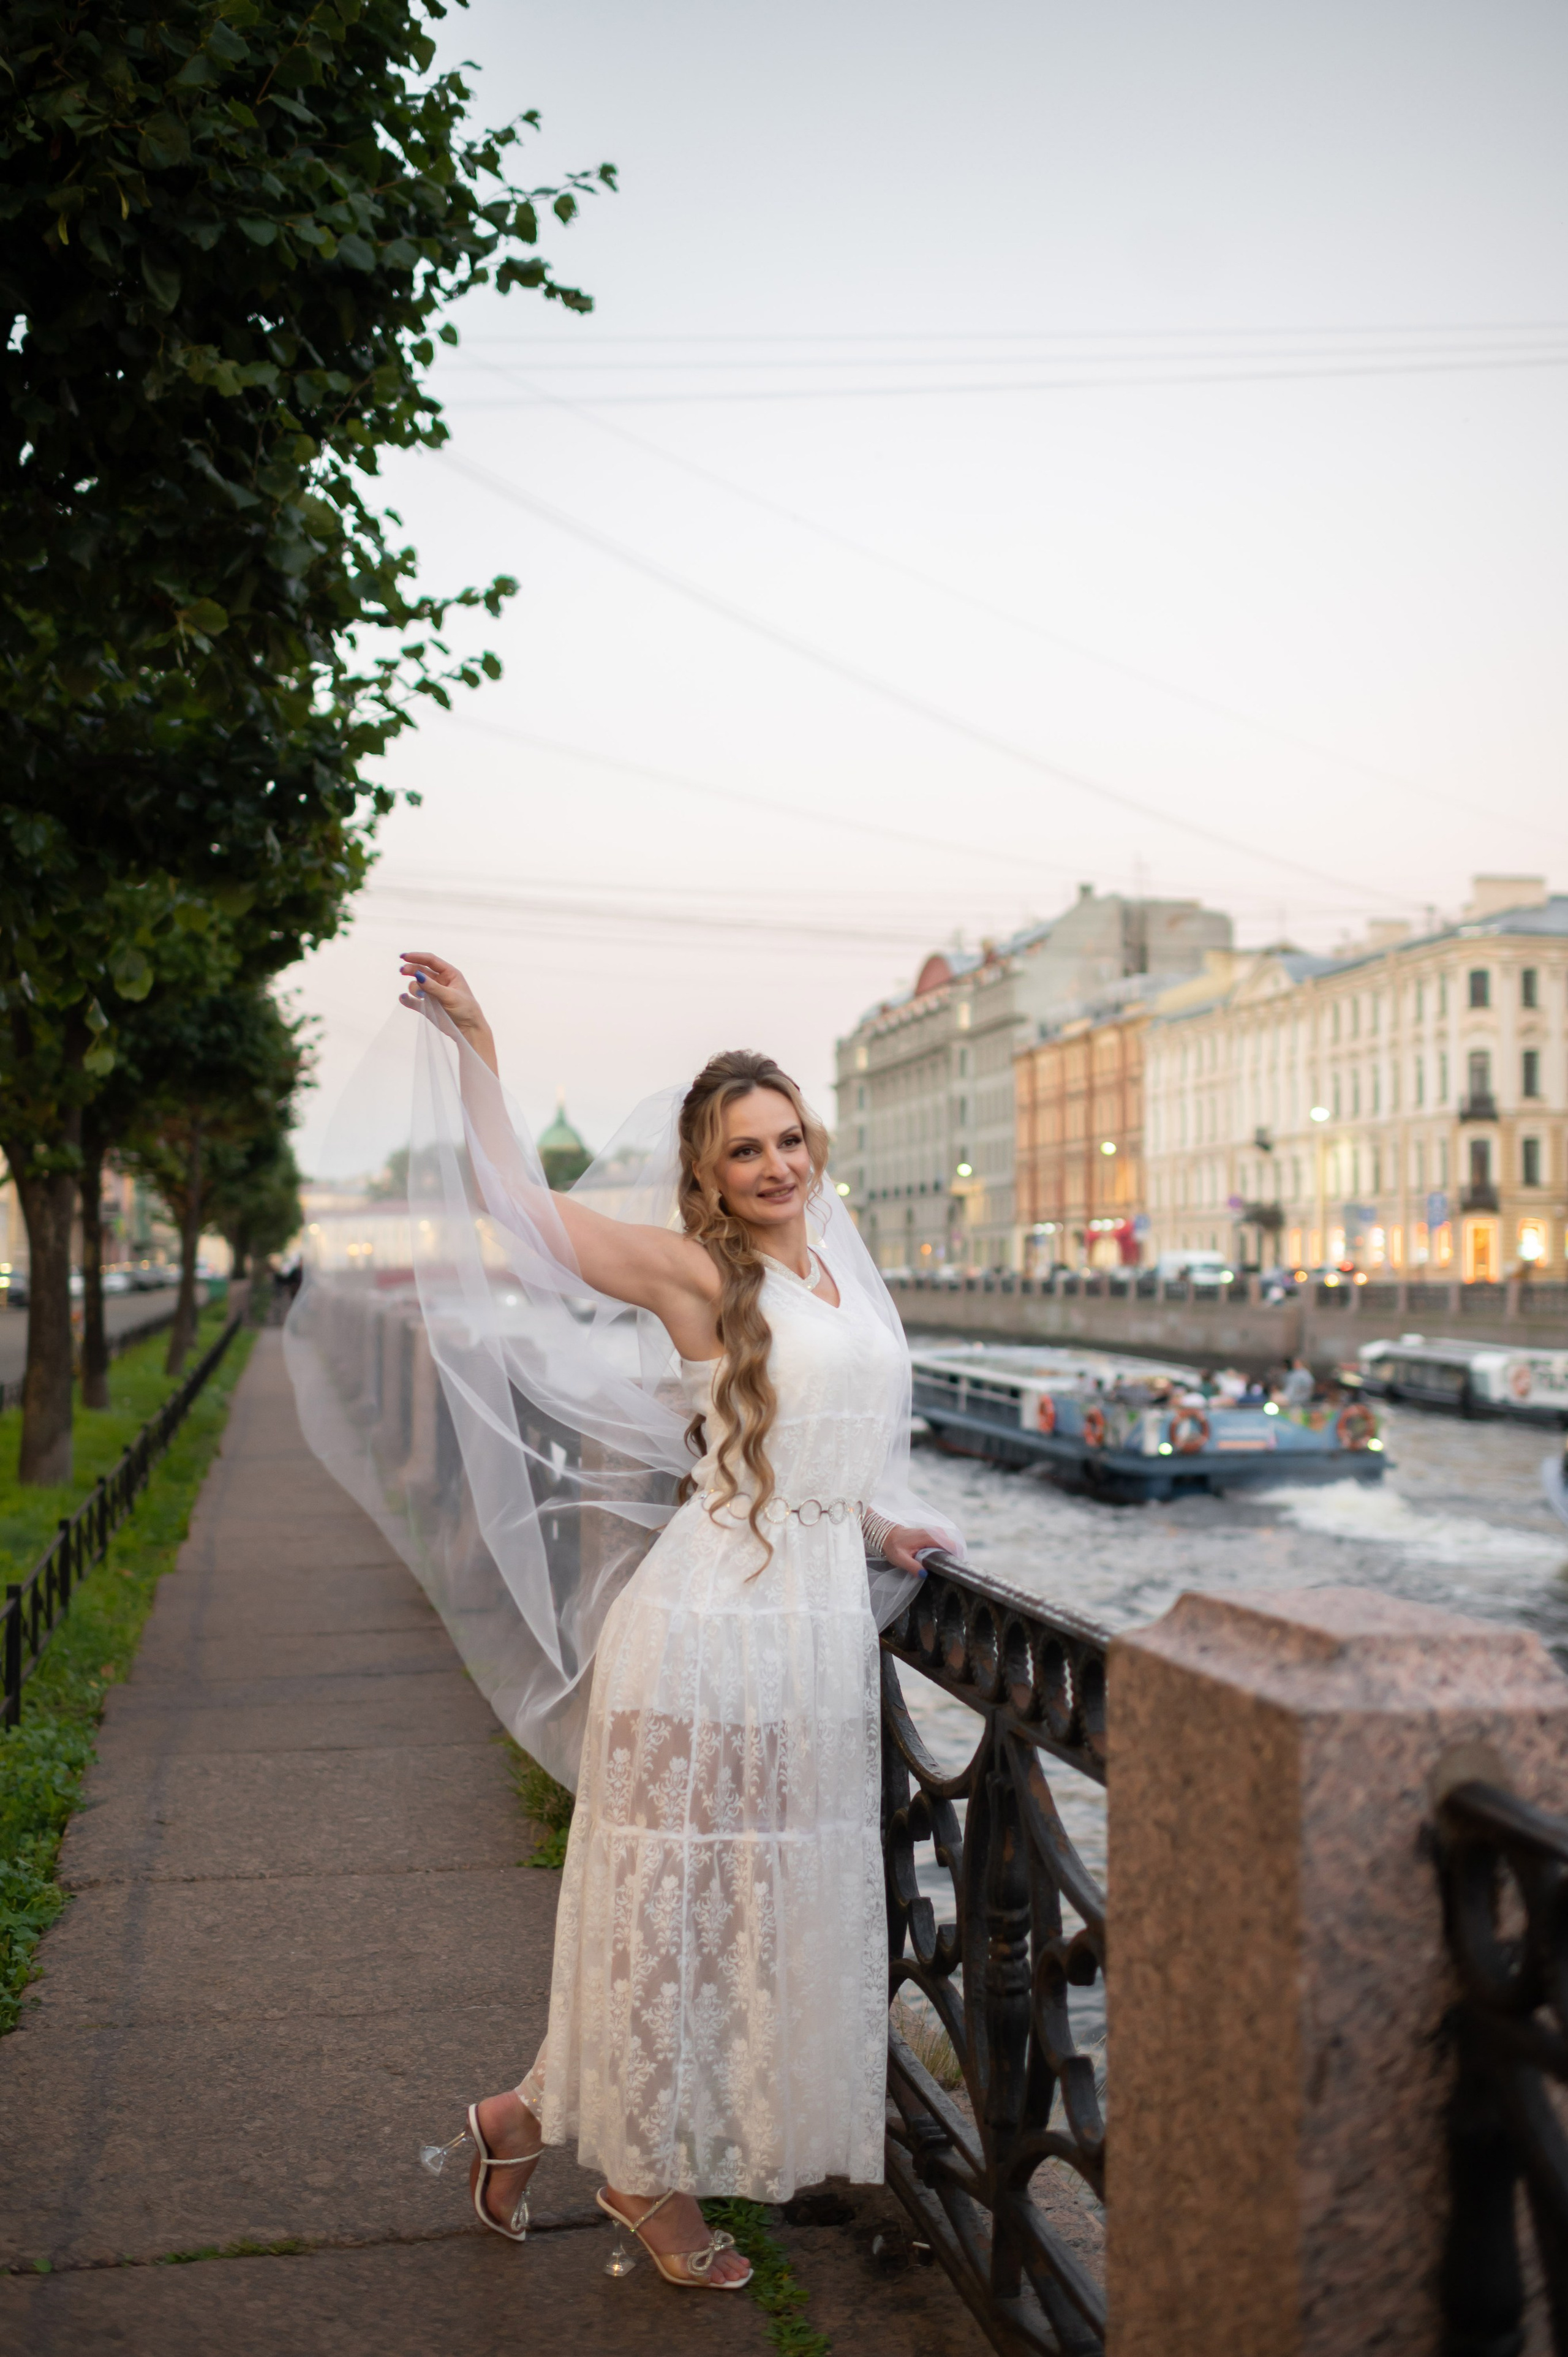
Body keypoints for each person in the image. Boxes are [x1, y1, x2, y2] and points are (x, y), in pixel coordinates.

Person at [372, 953, 959, 2292]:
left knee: (741, 1911)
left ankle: (512, 2124)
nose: (774, 1164)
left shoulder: (831, 1262)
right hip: (708, 1623)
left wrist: (880, 1526)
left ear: (813, 1142)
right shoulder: (696, 1271)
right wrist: (478, 1043)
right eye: (743, 1149)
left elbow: (821, 1435)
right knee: (669, 1909)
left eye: (788, 1137)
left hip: (808, 1624)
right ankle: (639, 2173)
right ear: (706, 1170)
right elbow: (519, 1213)